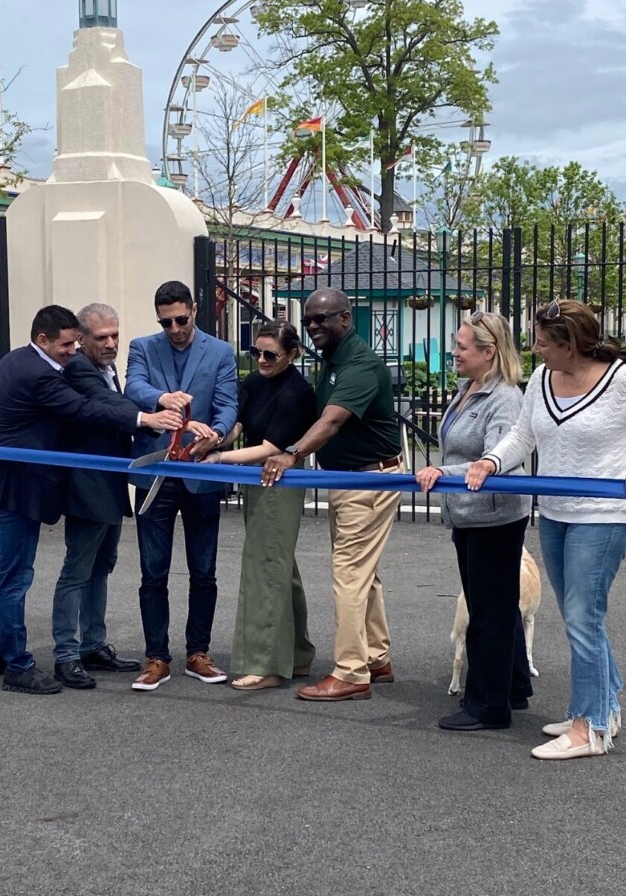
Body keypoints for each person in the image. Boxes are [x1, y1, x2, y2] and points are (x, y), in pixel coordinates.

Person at [0, 304, 182, 696]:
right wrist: (146, 419)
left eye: (77, 342)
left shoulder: (18, 360)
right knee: (15, 578)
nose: (73, 350)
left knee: (2, 571)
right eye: (68, 343)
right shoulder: (42, 373)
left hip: (2, 479)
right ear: (43, 340)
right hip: (17, 486)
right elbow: (83, 407)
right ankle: (18, 665)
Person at [467, 298, 626, 760]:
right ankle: (600, 705)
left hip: (603, 517)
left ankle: (590, 728)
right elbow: (522, 435)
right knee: (579, 617)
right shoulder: (540, 379)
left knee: (583, 620)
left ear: (571, 344)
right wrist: (492, 459)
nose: (535, 350)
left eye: (542, 343)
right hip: (555, 513)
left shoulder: (618, 381)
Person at [261, 288, 403, 701]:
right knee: (364, 574)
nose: (313, 327)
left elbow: (333, 421)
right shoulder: (334, 361)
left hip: (367, 480)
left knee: (348, 575)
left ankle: (350, 672)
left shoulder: (359, 364)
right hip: (352, 478)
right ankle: (375, 658)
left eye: (322, 319)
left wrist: (292, 453)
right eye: (308, 320)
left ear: (346, 318)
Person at [415, 310, 533, 731]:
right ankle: (513, 686)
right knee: (498, 605)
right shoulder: (469, 388)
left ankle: (488, 706)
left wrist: (438, 473)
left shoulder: (504, 398)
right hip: (469, 516)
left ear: (489, 352)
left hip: (494, 517)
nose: (454, 353)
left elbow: (492, 459)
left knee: (488, 610)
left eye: (462, 347)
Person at [51, 302, 175, 689]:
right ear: (82, 339)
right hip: (87, 486)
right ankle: (66, 654)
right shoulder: (78, 369)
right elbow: (111, 405)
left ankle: (92, 644)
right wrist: (149, 417)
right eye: (101, 337)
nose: (110, 343)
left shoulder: (108, 368)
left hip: (110, 484)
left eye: (115, 336)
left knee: (102, 566)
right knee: (77, 570)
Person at [125, 280, 238, 692]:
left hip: (200, 473)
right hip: (155, 474)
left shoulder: (221, 351)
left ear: (195, 308)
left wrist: (219, 433)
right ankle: (157, 657)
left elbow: (227, 404)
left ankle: (198, 653)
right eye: (166, 321)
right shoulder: (142, 347)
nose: (174, 328)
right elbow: (132, 387)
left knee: (203, 570)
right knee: (152, 571)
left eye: (181, 319)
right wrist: (162, 398)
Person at [202, 320, 317, 690]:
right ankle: (297, 654)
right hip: (257, 478)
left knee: (266, 565)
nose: (262, 360)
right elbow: (238, 424)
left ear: (292, 354)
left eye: (271, 354)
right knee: (281, 565)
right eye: (256, 352)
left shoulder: (297, 391)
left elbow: (270, 447)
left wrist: (221, 459)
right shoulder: (254, 382)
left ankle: (265, 663)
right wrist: (217, 438)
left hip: (277, 480)